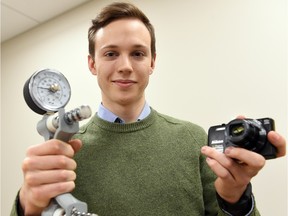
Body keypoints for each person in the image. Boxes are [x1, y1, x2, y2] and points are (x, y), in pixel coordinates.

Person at [11, 2, 286, 216]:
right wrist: (27, 204)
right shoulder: (65, 152)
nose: (125, 66)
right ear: (92, 64)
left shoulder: (193, 139)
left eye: (138, 53)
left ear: (152, 62)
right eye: (110, 53)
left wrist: (237, 198)